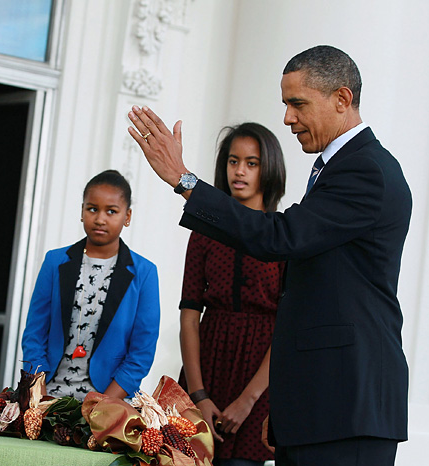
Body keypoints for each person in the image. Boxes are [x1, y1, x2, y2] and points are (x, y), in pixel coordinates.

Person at [128, 45, 411, 466]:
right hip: (319, 407)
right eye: (285, 104)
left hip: (347, 406)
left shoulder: (365, 169)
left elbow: (279, 237)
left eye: (298, 104)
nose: (287, 118)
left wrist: (184, 180)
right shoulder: (341, 168)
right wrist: (289, 411)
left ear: (342, 99)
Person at [179, 123, 286, 466]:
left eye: (252, 163)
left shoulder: (284, 235)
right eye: (233, 161)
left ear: (268, 169)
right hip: (207, 367)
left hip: (261, 378)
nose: (239, 171)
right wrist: (199, 395)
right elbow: (189, 316)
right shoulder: (203, 231)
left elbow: (287, 325)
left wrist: (249, 399)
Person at [21, 169, 161, 400]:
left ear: (127, 217)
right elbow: (34, 335)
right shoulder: (55, 262)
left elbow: (141, 353)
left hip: (108, 401)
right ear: (82, 211)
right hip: (47, 394)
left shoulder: (144, 273)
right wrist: (40, 396)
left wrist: (104, 405)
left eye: (112, 211)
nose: (100, 219)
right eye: (92, 209)